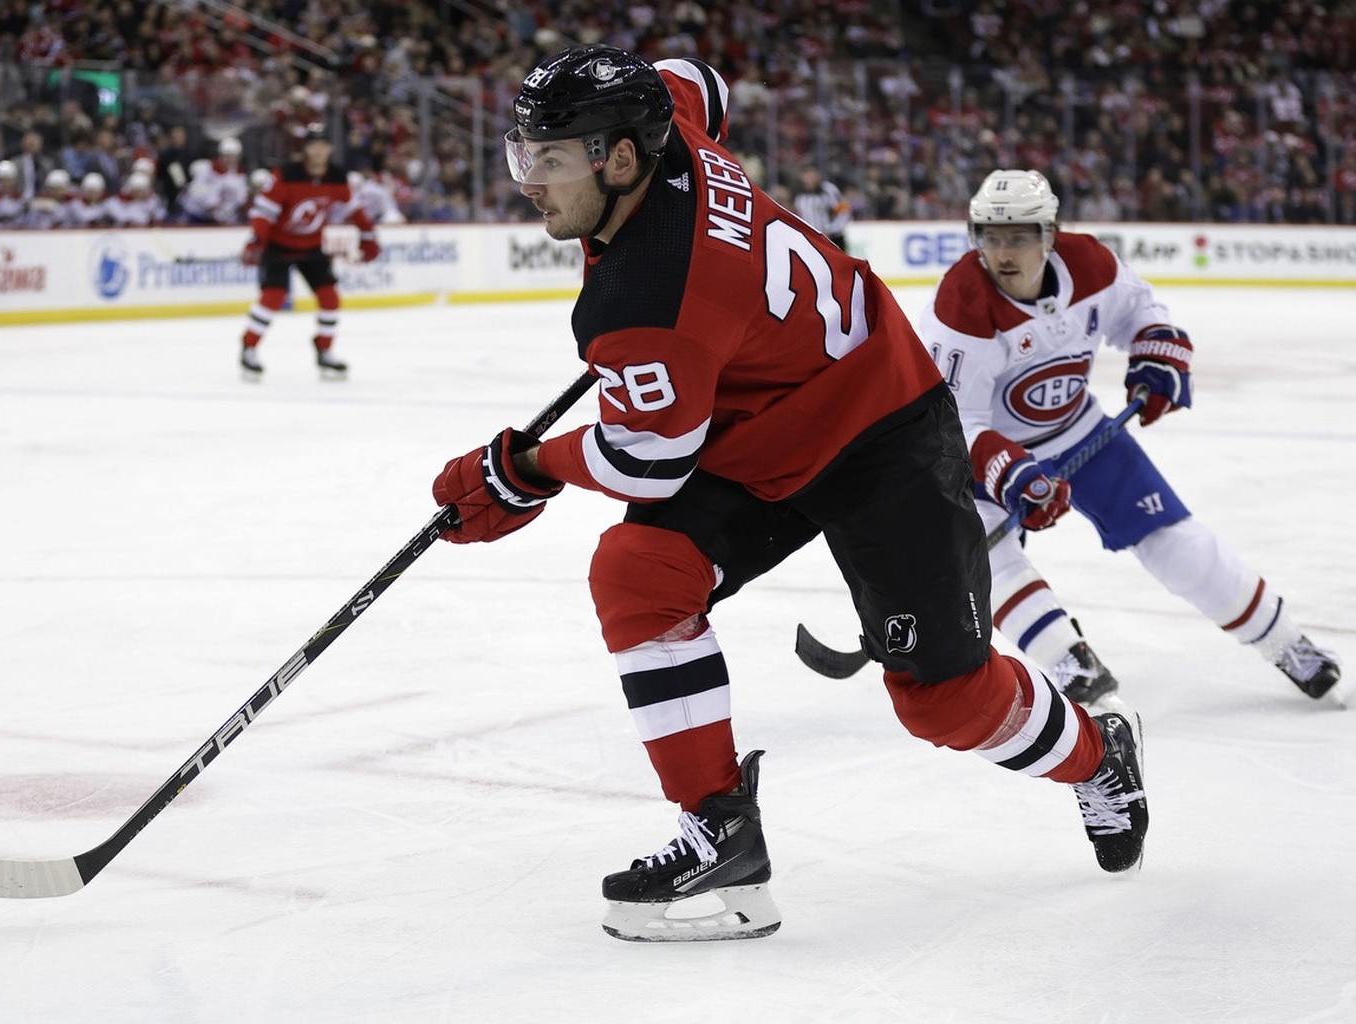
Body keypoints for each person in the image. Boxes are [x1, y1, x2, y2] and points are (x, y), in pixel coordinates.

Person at [428, 46, 1149, 943]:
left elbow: (645, 461)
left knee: (946, 703)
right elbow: (699, 78)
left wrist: (521, 470)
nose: (528, 181)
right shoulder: (670, 122)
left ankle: (1096, 756)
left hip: (881, 422)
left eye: (550, 159)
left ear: (621, 158)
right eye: (521, 153)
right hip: (761, 427)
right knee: (641, 571)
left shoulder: (649, 298)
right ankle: (719, 828)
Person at [916, 169, 1341, 707]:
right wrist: (1009, 470)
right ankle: (1070, 660)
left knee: (1174, 538)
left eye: (1019, 237)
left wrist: (1157, 350)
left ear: (1049, 234)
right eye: (991, 236)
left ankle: (1289, 645)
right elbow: (953, 421)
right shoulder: (960, 305)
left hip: (1080, 429)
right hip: (992, 454)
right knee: (980, 557)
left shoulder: (1091, 265)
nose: (1003, 252)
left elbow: (1141, 312)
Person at [237, 122, 380, 381]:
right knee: (273, 298)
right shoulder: (286, 175)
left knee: (330, 298)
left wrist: (368, 236)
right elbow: (263, 213)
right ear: (305, 149)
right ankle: (249, 346)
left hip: (312, 247)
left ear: (329, 148)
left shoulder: (337, 178)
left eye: (322, 145)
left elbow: (353, 210)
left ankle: (324, 349)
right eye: (312, 145)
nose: (318, 151)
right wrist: (257, 241)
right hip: (278, 247)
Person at [790, 165, 852, 252]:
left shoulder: (828, 190)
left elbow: (843, 211)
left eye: (811, 177)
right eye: (806, 177)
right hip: (812, 241)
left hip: (833, 239)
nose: (809, 180)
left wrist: (831, 229)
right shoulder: (800, 198)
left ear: (817, 176)